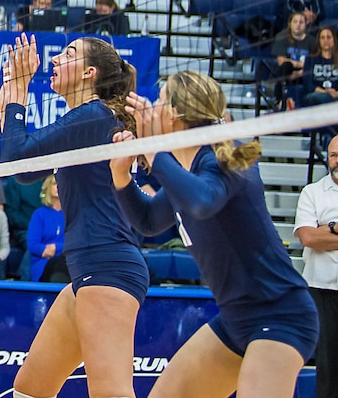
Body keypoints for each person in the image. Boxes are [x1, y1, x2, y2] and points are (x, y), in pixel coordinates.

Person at [112, 70, 318, 398]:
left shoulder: (228, 157)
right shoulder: (189, 170)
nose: (152, 109)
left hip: (281, 315)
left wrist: (153, 152)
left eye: (160, 101)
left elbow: (202, 203)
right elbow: (150, 221)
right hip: (236, 320)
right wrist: (121, 176)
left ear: (176, 114)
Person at [0, 34, 146, 398]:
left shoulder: (91, 117)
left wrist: (18, 95)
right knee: (29, 390)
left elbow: (19, 163)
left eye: (69, 53)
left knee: (111, 393)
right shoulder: (90, 121)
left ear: (88, 73)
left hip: (107, 267)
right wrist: (9, 110)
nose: (56, 59)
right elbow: (25, 165)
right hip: (91, 269)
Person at [294, 133, 338, 398]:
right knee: (328, 368)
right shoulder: (312, 192)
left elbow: (318, 236)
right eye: (334, 155)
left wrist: (329, 229)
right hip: (321, 290)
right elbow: (309, 237)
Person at [28, 174, 67, 282]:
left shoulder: (72, 214)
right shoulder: (39, 214)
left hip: (66, 261)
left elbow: (76, 243)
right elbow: (33, 245)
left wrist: (56, 247)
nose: (58, 186)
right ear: (48, 187)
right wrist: (46, 250)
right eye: (55, 183)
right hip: (43, 263)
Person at [271, 11, 311, 107]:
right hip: (287, 72)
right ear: (290, 24)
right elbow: (282, 61)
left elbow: (314, 64)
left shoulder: (312, 41)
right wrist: (301, 64)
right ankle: (279, 100)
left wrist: (299, 73)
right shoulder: (282, 37)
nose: (298, 25)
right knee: (286, 66)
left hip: (304, 75)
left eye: (301, 22)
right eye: (295, 22)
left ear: (306, 24)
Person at [300, 26, 338, 108]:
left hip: (336, 95)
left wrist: (336, 93)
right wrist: (326, 92)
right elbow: (308, 84)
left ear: (334, 40)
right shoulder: (310, 59)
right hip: (315, 95)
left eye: (328, 37)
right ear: (319, 41)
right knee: (320, 97)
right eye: (322, 38)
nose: (326, 40)